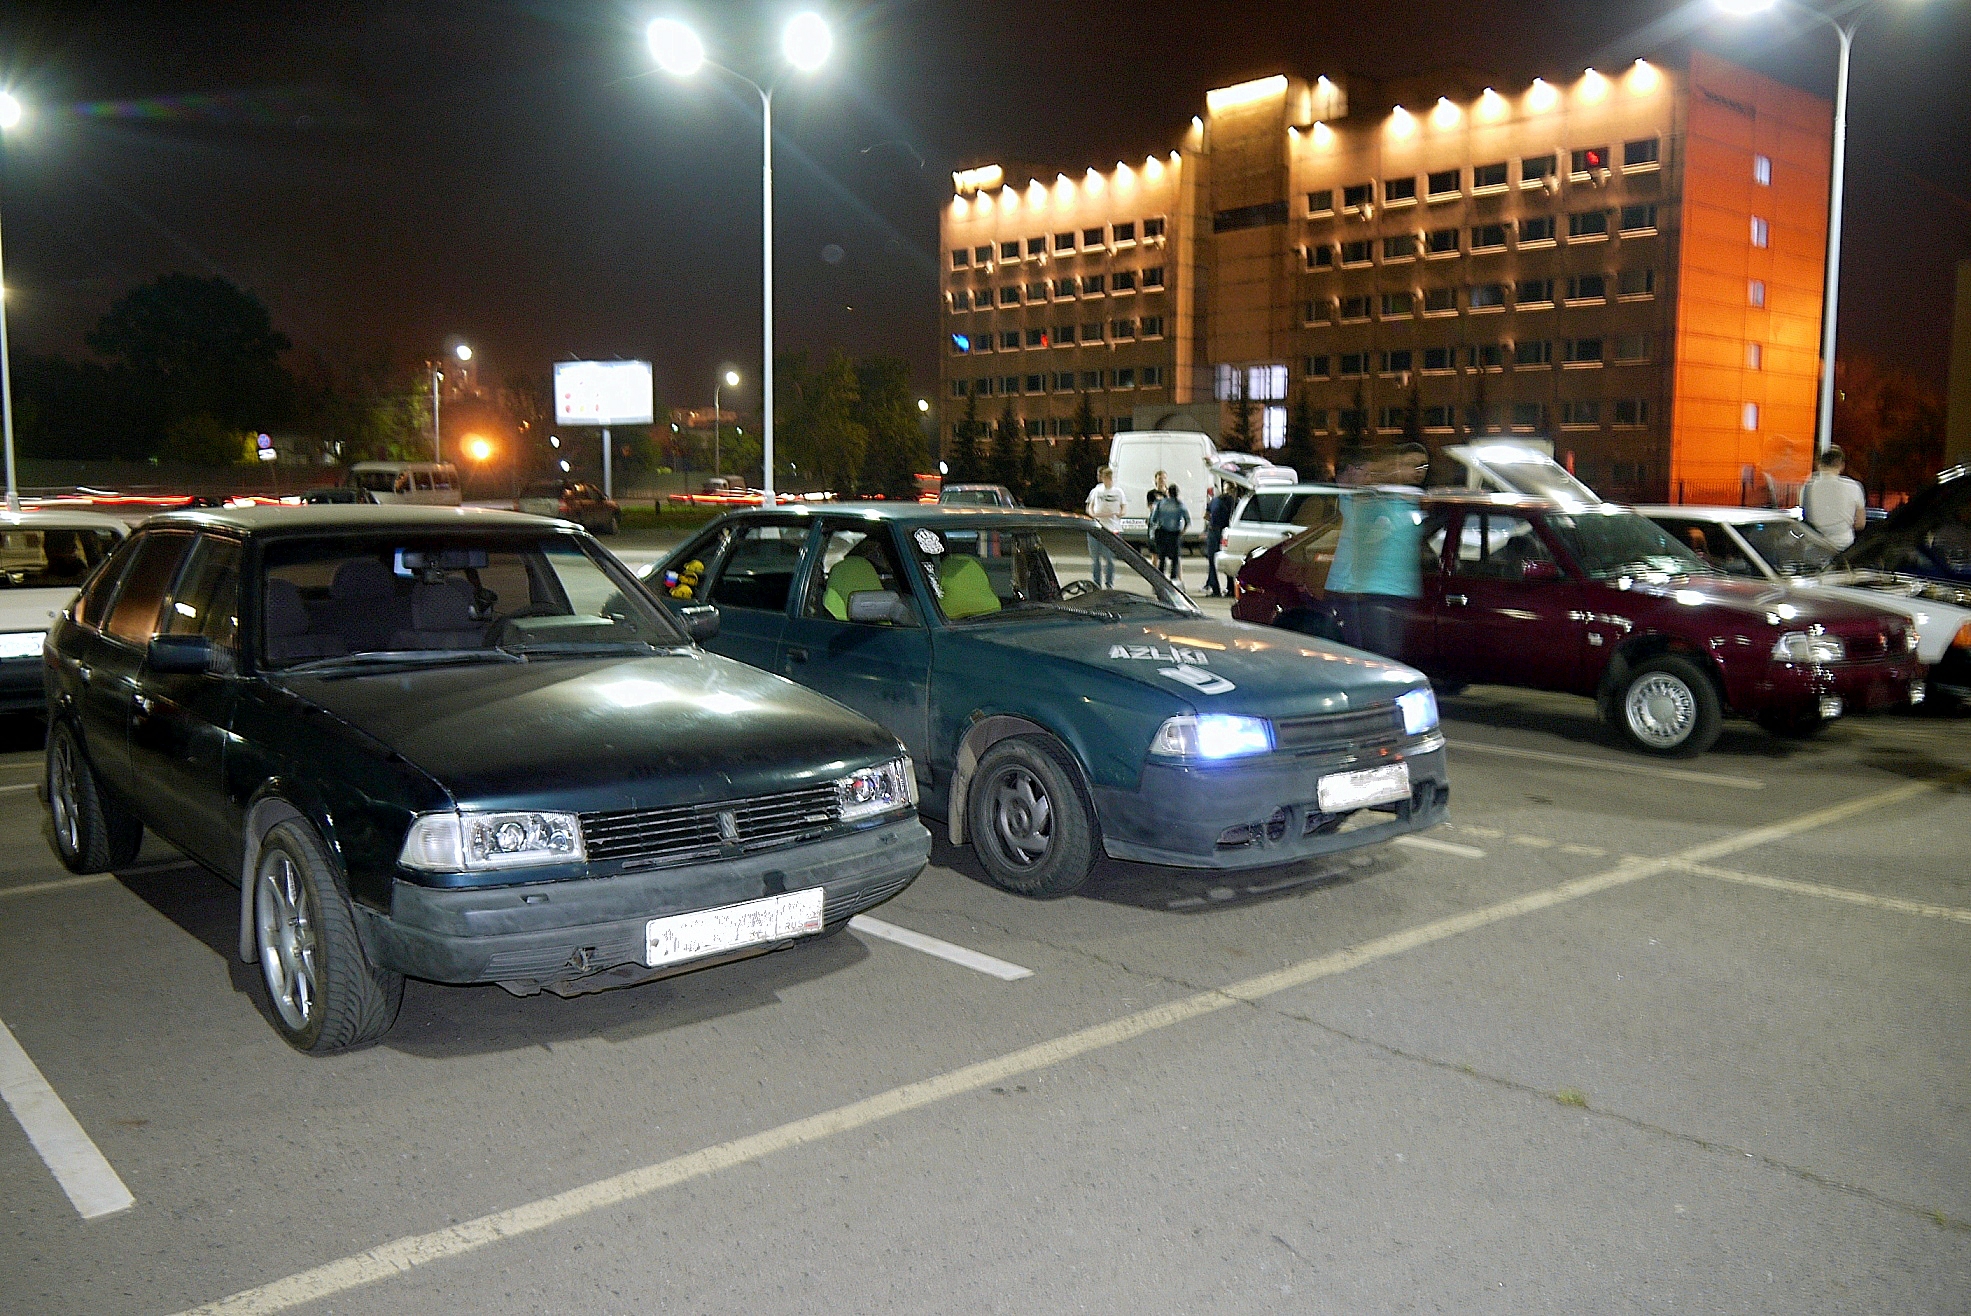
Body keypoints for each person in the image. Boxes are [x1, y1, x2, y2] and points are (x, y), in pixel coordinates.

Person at [1799, 446, 1866, 549]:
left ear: (1819, 465)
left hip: (1814, 546)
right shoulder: (1853, 487)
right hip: (1843, 547)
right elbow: (1860, 524)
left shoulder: (1807, 487)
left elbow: (1804, 515)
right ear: (1841, 466)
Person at [1084, 465, 1127, 589]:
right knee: (1095, 558)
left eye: (1107, 477)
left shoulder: (1118, 492)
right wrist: (1093, 514)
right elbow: (1090, 507)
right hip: (1097, 527)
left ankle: (1109, 583)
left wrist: (1119, 513)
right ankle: (1097, 583)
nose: (1105, 479)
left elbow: (1123, 508)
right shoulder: (1096, 491)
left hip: (1111, 528)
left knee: (1109, 558)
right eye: (1104, 477)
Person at [1149, 482, 1189, 583]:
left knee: (1162, 559)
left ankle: (1160, 581)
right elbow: (1187, 521)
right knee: (1175, 560)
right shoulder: (1180, 505)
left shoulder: (1160, 504)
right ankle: (1173, 581)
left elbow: (1153, 519)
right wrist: (1182, 531)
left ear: (1168, 493)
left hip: (1162, 533)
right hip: (1175, 535)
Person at [1203, 481, 1237, 597]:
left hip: (1214, 531)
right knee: (1228, 560)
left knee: (1212, 560)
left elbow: (1206, 515)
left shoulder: (1215, 500)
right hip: (1226, 532)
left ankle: (1215, 589)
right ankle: (1231, 588)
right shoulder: (1235, 502)